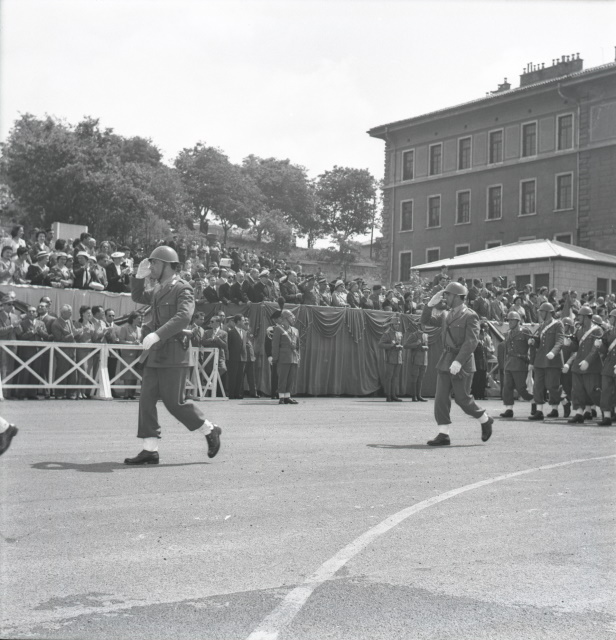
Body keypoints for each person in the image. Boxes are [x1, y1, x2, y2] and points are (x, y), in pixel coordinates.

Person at [124, 246, 221, 465]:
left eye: (154, 263)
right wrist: (138, 277)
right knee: (146, 400)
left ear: (167, 265)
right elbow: (138, 296)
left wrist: (157, 334)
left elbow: (184, 317)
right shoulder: (158, 289)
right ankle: (150, 449)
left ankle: (209, 429)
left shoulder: (182, 288)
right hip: (155, 353)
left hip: (174, 353)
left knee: (174, 403)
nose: (151, 267)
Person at [420, 281, 494, 446]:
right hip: (445, 360)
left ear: (457, 296)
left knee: (462, 399)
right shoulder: (446, 315)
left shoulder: (470, 316)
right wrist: (429, 305)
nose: (445, 297)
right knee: (440, 398)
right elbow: (425, 320)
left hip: (462, 363)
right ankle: (443, 434)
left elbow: (471, 341)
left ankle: (485, 419)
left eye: (448, 294)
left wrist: (459, 361)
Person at [527, 302, 565, 421]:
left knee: (552, 385)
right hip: (540, 360)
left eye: (542, 312)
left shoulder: (558, 324)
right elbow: (540, 342)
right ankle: (539, 411)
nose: (540, 314)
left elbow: (560, 340)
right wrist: (533, 342)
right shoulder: (542, 325)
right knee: (538, 386)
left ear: (548, 312)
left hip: (553, 360)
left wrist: (553, 352)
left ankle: (555, 408)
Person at [567, 307, 603, 424]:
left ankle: (607, 409)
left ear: (586, 317)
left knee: (593, 391)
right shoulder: (579, 329)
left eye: (580, 316)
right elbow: (576, 347)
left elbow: (596, 349)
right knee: (577, 390)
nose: (578, 318)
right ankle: (579, 413)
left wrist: (587, 361)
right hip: (578, 365)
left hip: (591, 367)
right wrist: (569, 344)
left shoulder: (597, 330)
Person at [499, 311, 534, 418]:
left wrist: (531, 362)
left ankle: (534, 401)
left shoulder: (525, 332)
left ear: (518, 321)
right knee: (507, 387)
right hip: (509, 364)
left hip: (520, 364)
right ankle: (509, 409)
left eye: (512, 320)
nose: (509, 322)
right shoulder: (508, 333)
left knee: (521, 389)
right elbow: (506, 350)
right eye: (508, 320)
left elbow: (532, 347)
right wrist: (504, 364)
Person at [272, 308, 300, 404]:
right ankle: (281, 397)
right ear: (285, 318)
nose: (293, 318)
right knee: (282, 378)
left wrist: (298, 357)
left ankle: (287, 396)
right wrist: (275, 358)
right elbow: (275, 345)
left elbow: (298, 346)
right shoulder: (278, 329)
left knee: (290, 379)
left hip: (293, 358)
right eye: (291, 316)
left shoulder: (295, 330)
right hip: (283, 357)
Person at [378, 314, 406, 402]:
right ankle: (388, 395)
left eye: (398, 324)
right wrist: (390, 345)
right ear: (391, 325)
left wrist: (400, 347)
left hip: (398, 358)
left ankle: (394, 395)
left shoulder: (400, 334)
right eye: (396, 324)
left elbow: (401, 344)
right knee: (389, 377)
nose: (397, 326)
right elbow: (380, 344)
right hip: (390, 358)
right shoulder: (387, 334)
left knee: (395, 377)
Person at [597, 308, 616, 425]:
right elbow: (605, 350)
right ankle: (607, 417)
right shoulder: (609, 332)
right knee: (606, 392)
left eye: (612, 317)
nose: (610, 319)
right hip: (609, 365)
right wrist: (599, 346)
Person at [405, 325, 429, 402]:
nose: (425, 327)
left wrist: (426, 347)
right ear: (419, 326)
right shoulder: (414, 335)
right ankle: (414, 396)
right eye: (424, 325)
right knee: (414, 378)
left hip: (424, 359)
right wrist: (416, 344)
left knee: (420, 378)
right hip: (416, 359)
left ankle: (419, 395)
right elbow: (406, 345)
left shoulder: (425, 335)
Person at [225, 314, 246, 399]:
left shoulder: (244, 332)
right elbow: (228, 346)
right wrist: (229, 357)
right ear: (238, 321)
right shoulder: (231, 332)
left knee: (240, 377)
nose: (244, 322)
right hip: (233, 358)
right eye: (243, 320)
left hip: (242, 358)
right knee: (233, 376)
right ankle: (231, 393)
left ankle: (238, 393)